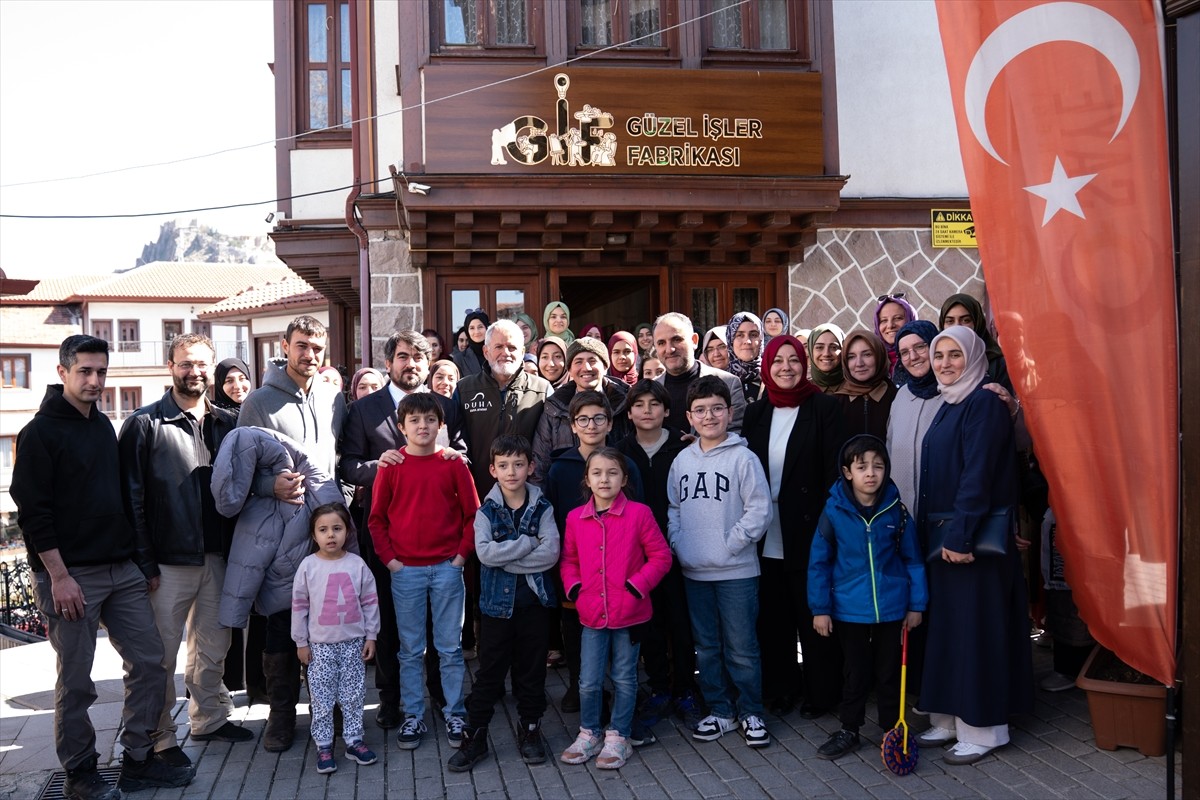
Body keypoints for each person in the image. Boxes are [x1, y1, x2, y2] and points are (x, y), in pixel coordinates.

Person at [11, 335, 194, 800]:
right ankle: (81, 773)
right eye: (85, 372)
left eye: (101, 372)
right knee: (76, 682)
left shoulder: (100, 425)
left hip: (122, 570)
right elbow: (33, 514)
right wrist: (59, 577)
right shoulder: (40, 433)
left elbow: (120, 499)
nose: (94, 381)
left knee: (152, 663)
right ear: (63, 372)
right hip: (71, 577)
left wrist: (139, 560)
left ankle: (136, 758)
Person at [117, 333, 253, 768]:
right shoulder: (144, 424)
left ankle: (209, 718)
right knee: (158, 656)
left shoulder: (229, 423)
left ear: (211, 368)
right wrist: (143, 560)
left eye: (201, 364)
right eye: (184, 363)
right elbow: (131, 498)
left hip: (219, 556)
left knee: (213, 645)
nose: (193, 371)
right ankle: (158, 736)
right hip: (165, 562)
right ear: (170, 366)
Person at [913, 326, 1033, 765]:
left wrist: (960, 535)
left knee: (975, 633)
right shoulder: (950, 403)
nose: (945, 363)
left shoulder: (983, 403)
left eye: (954, 355)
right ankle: (948, 718)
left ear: (975, 357)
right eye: (939, 355)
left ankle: (984, 729)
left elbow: (977, 475)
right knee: (950, 630)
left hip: (970, 543)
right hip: (946, 541)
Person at [236, 314, 346, 752]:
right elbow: (240, 469)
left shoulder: (334, 398)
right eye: (301, 346)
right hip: (282, 530)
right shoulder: (259, 401)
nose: (309, 355)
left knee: (329, 622)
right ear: (285, 346)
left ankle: (331, 709)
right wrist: (269, 485)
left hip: (329, 529)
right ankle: (281, 716)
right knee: (282, 623)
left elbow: (340, 456)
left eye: (317, 348)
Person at [339, 331, 452, 729]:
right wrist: (379, 465)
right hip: (385, 532)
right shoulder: (364, 409)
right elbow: (348, 464)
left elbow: (462, 454)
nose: (412, 364)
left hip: (439, 531)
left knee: (440, 621)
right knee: (387, 618)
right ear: (389, 363)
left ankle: (440, 692)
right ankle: (391, 699)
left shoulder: (446, 407)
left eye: (419, 357)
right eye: (404, 357)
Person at [369, 392, 481, 751]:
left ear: (441, 425)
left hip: (448, 568)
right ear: (401, 427)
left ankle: (454, 711)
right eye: (414, 420)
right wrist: (391, 561)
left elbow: (472, 516)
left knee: (448, 648)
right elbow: (376, 520)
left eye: (430, 420)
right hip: (406, 572)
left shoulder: (454, 465)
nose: (423, 426)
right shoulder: (391, 467)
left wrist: (461, 557)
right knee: (410, 649)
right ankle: (413, 714)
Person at [742, 334, 845, 720]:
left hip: (810, 527)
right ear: (766, 367)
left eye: (793, 360)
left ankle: (823, 692)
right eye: (777, 361)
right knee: (774, 615)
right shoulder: (755, 412)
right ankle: (781, 688)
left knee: (812, 613)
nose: (786, 367)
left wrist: (826, 528)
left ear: (804, 364)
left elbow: (835, 473)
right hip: (766, 527)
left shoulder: (824, 407)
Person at [667, 376, 772, 748]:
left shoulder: (744, 458)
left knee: (742, 646)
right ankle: (721, 711)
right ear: (689, 417)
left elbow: (759, 510)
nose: (709, 416)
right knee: (707, 647)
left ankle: (751, 712)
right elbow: (674, 509)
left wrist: (733, 543)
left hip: (737, 571)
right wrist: (681, 544)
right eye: (700, 410)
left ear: (729, 412)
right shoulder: (682, 461)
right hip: (695, 570)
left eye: (716, 408)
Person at [808, 435, 926, 760]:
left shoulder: (897, 513)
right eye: (862, 467)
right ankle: (850, 729)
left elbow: (913, 560)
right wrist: (821, 609)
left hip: (892, 608)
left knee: (890, 672)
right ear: (848, 472)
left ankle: (892, 726)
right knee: (855, 672)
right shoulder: (833, 513)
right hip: (849, 609)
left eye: (878, 466)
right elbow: (819, 563)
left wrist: (916, 605)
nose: (871, 473)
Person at [448, 435, 560, 773]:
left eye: (519, 464)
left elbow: (551, 552)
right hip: (497, 608)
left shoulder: (543, 507)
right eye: (504, 465)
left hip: (536, 605)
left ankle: (530, 728)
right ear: (493, 470)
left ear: (531, 467)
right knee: (490, 673)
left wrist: (507, 556)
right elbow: (484, 554)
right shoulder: (486, 511)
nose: (512, 472)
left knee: (532, 670)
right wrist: (528, 543)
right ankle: (476, 734)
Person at [560, 448, 672, 770]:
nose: (604, 479)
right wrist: (576, 589)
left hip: (630, 612)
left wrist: (637, 585)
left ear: (624, 479)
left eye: (612, 472)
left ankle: (619, 735)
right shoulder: (574, 518)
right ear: (587, 479)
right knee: (588, 680)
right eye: (597, 473)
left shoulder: (639, 514)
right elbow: (569, 560)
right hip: (591, 612)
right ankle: (589, 732)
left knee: (625, 677)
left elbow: (661, 557)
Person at [544, 391, 644, 714]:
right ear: (573, 425)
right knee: (576, 631)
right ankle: (582, 687)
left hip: (620, 569)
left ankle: (622, 692)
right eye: (583, 419)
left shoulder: (625, 465)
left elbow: (639, 514)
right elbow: (556, 519)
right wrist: (566, 575)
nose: (591, 425)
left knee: (620, 636)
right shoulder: (560, 469)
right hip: (578, 570)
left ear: (610, 423)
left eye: (599, 418)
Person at [614, 380, 700, 728]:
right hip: (637, 555)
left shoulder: (685, 447)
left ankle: (685, 689)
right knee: (647, 624)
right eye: (639, 404)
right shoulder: (620, 451)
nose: (647, 410)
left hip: (677, 548)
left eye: (654, 404)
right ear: (630, 412)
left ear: (667, 410)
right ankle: (659, 688)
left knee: (681, 622)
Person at [291, 503, 381, 774]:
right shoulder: (308, 566)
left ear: (348, 532)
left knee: (353, 695)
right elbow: (299, 606)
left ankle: (354, 740)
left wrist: (371, 636)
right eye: (323, 530)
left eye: (337, 529)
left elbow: (370, 602)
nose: (331, 535)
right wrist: (301, 642)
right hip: (320, 647)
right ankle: (324, 744)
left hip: (353, 644)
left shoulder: (357, 564)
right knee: (321, 697)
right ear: (314, 535)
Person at [885, 320, 943, 709]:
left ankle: (939, 688)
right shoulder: (901, 396)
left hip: (941, 521)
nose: (913, 357)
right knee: (912, 606)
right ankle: (916, 688)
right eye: (905, 352)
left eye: (920, 347)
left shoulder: (955, 393)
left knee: (939, 607)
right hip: (905, 520)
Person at [212, 355, 265, 703]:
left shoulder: (257, 414)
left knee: (260, 606)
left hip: (257, 519)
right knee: (227, 605)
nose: (237, 386)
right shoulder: (214, 419)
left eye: (242, 379)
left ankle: (258, 682)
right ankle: (228, 682)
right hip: (224, 524)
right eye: (229, 380)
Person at [449, 320, 552, 497]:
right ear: (486, 351)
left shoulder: (542, 389)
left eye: (512, 347)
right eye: (498, 347)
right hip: (477, 497)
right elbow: (455, 443)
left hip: (528, 500)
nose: (506, 353)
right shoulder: (464, 389)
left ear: (522, 352)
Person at [532, 336, 630, 485]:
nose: (587, 368)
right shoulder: (554, 408)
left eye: (592, 361)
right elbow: (540, 466)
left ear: (605, 367)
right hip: (568, 495)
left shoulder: (626, 402)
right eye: (578, 362)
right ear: (569, 369)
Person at [652, 312, 746, 435]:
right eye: (661, 343)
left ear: (694, 340)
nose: (670, 349)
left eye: (676, 339)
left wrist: (699, 447)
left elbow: (735, 435)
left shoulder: (729, 383)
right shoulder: (651, 390)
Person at [833, 330, 897, 442]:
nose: (859, 363)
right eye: (851, 357)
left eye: (867, 354)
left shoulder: (896, 399)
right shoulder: (835, 403)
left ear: (879, 356)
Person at [939, 292, 1011, 390]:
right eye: (950, 321)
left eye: (965, 320)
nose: (957, 326)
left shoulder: (996, 363)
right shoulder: (938, 362)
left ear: (977, 323)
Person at [873, 293, 918, 380]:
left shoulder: (925, 353)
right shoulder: (873, 360)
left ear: (910, 319)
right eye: (884, 320)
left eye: (898, 318)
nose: (890, 325)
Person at [726, 311, 765, 403]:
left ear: (761, 340)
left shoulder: (773, 378)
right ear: (730, 340)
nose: (747, 341)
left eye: (753, 335)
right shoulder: (722, 381)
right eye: (740, 335)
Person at [807, 323, 845, 393]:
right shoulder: (802, 390)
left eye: (834, 347)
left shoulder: (854, 389)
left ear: (843, 350)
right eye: (819, 347)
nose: (826, 354)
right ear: (811, 350)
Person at [452, 309, 490, 378]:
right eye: (472, 328)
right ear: (467, 331)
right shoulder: (460, 359)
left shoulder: (497, 353)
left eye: (480, 327)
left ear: (487, 328)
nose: (476, 332)